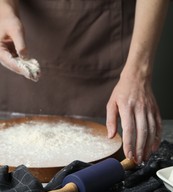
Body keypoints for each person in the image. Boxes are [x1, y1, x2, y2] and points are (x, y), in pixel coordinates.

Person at [0, 0, 169, 164]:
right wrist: (4, 9)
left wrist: (138, 72)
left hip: (101, 35)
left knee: (107, 154)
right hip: (24, 35)